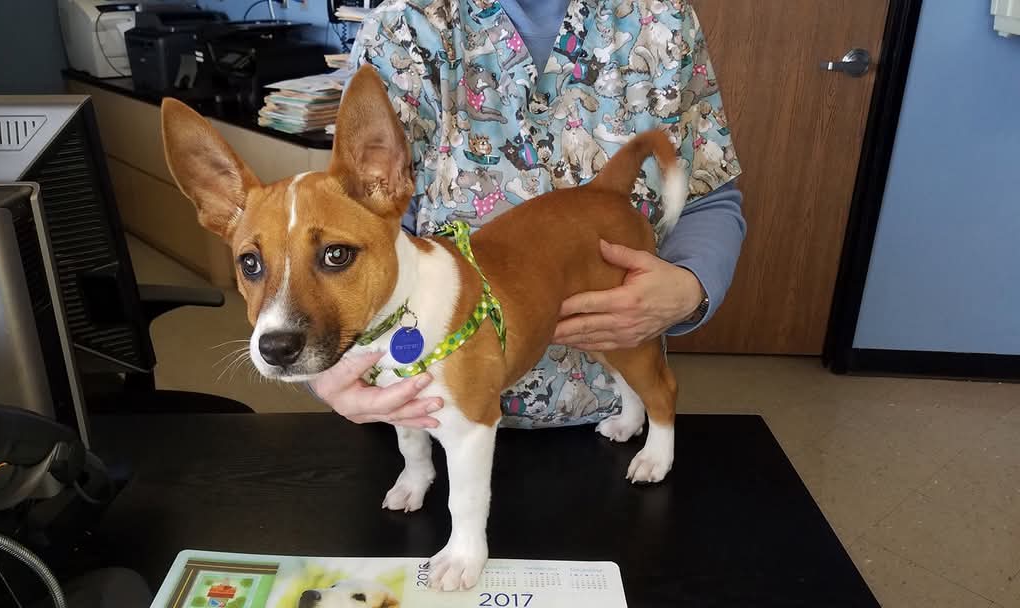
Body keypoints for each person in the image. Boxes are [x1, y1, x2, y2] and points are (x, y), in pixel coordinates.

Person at [308, 0, 746, 430]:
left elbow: (709, 196)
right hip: (429, 411)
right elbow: (355, 232)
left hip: (613, 410)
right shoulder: (403, 28)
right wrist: (328, 364)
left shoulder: (661, 18)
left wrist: (691, 288)